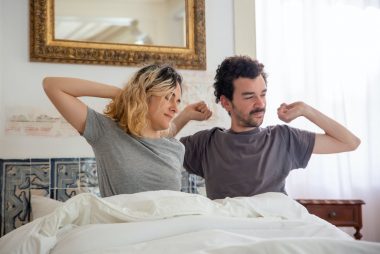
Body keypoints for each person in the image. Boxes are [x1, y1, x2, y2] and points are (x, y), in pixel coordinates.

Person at [175, 56, 361, 200]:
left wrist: (306, 110)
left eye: (263, 94)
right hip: (229, 233)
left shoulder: (283, 138)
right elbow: (154, 148)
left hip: (276, 229)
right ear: (226, 102)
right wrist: (184, 116)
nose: (260, 104)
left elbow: (350, 142)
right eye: (249, 97)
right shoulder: (206, 143)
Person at [43, 64, 211, 197]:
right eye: (168, 97)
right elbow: (52, 85)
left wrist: (187, 115)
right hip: (122, 234)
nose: (175, 108)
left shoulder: (176, 148)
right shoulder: (105, 133)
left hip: (166, 235)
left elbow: (157, 140)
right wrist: (125, 94)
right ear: (144, 96)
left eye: (178, 101)